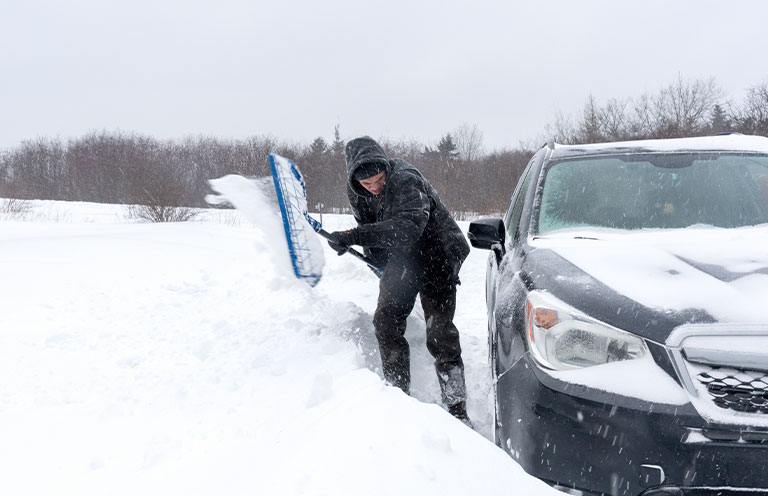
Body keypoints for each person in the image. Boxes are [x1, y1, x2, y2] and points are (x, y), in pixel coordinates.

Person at [328, 136, 472, 425]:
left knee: (440, 333)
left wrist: (353, 237)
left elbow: (408, 227)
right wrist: (377, 259)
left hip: (438, 252)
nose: (375, 187)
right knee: (386, 321)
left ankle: (457, 409)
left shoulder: (406, 179)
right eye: (368, 184)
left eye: (379, 179)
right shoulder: (357, 190)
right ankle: (398, 396)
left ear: (386, 168)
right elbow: (369, 226)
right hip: (404, 256)